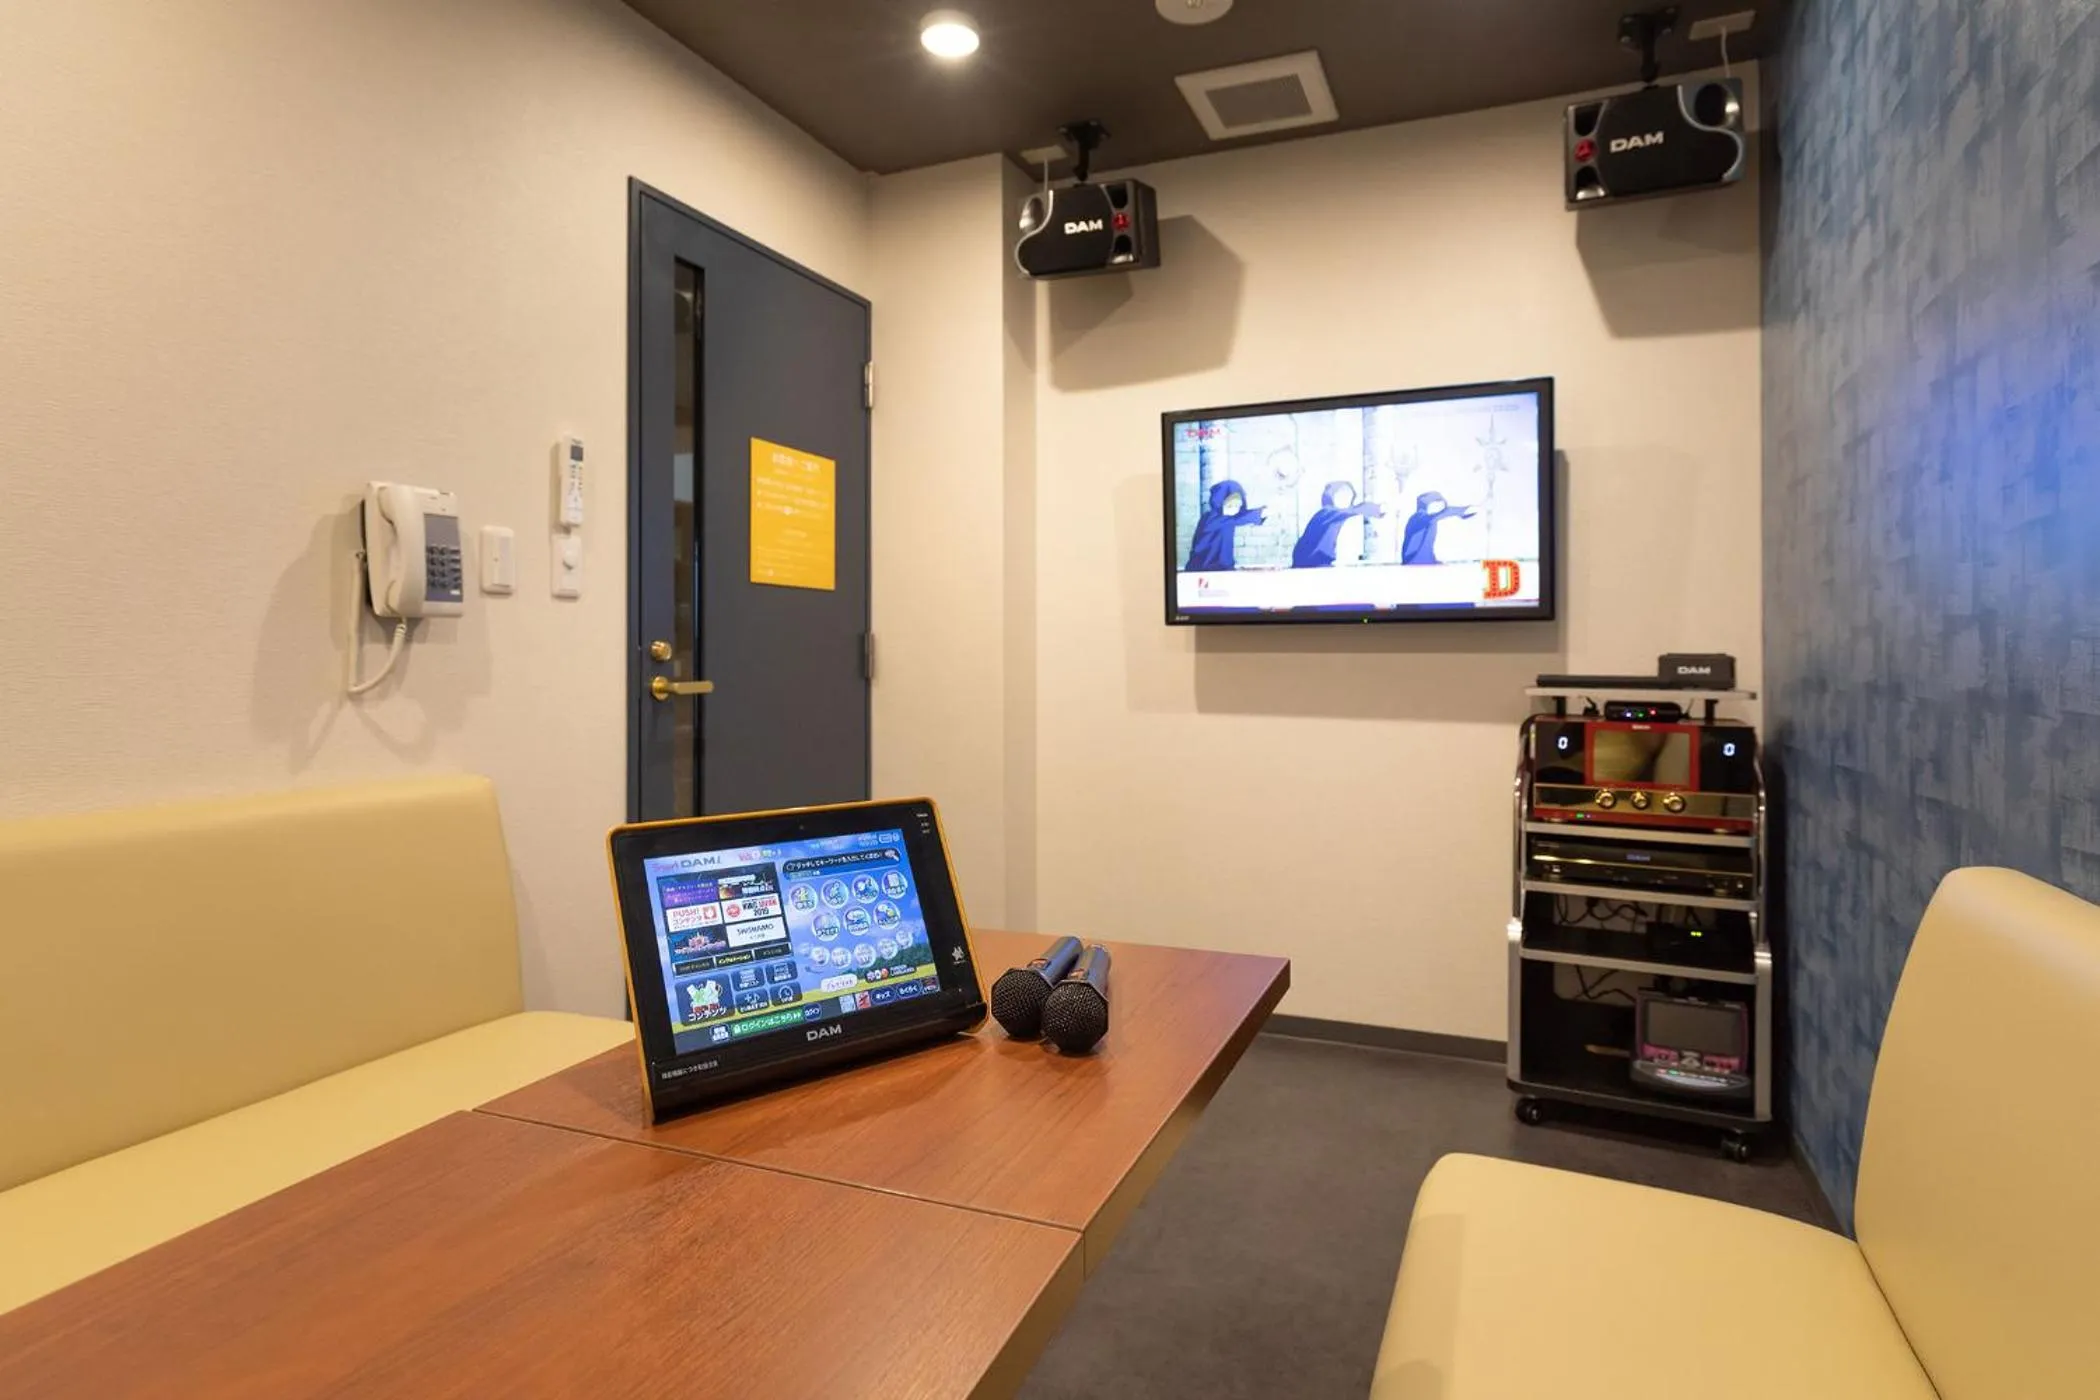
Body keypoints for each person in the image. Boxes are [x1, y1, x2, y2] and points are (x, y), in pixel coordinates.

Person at [1291, 481, 1386, 568]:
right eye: (1347, 497)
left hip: (1316, 562)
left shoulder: (1329, 515)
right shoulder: (1326, 512)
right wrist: (1376, 509)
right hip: (1310, 563)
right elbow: (1352, 510)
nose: (1351, 502)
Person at [1184, 478, 1268, 572]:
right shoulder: (1210, 518)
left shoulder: (1227, 519)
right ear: (1221, 502)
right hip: (1202, 569)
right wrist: (1260, 513)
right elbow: (1238, 519)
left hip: (1221, 569)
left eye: (1238, 505)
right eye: (1231, 505)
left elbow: (1237, 518)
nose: (1236, 509)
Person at [1400, 491, 1478, 565]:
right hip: (1414, 561)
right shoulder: (1418, 517)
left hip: (1421, 560)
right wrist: (1460, 511)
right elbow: (1443, 513)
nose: (1441, 509)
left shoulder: (1426, 519)